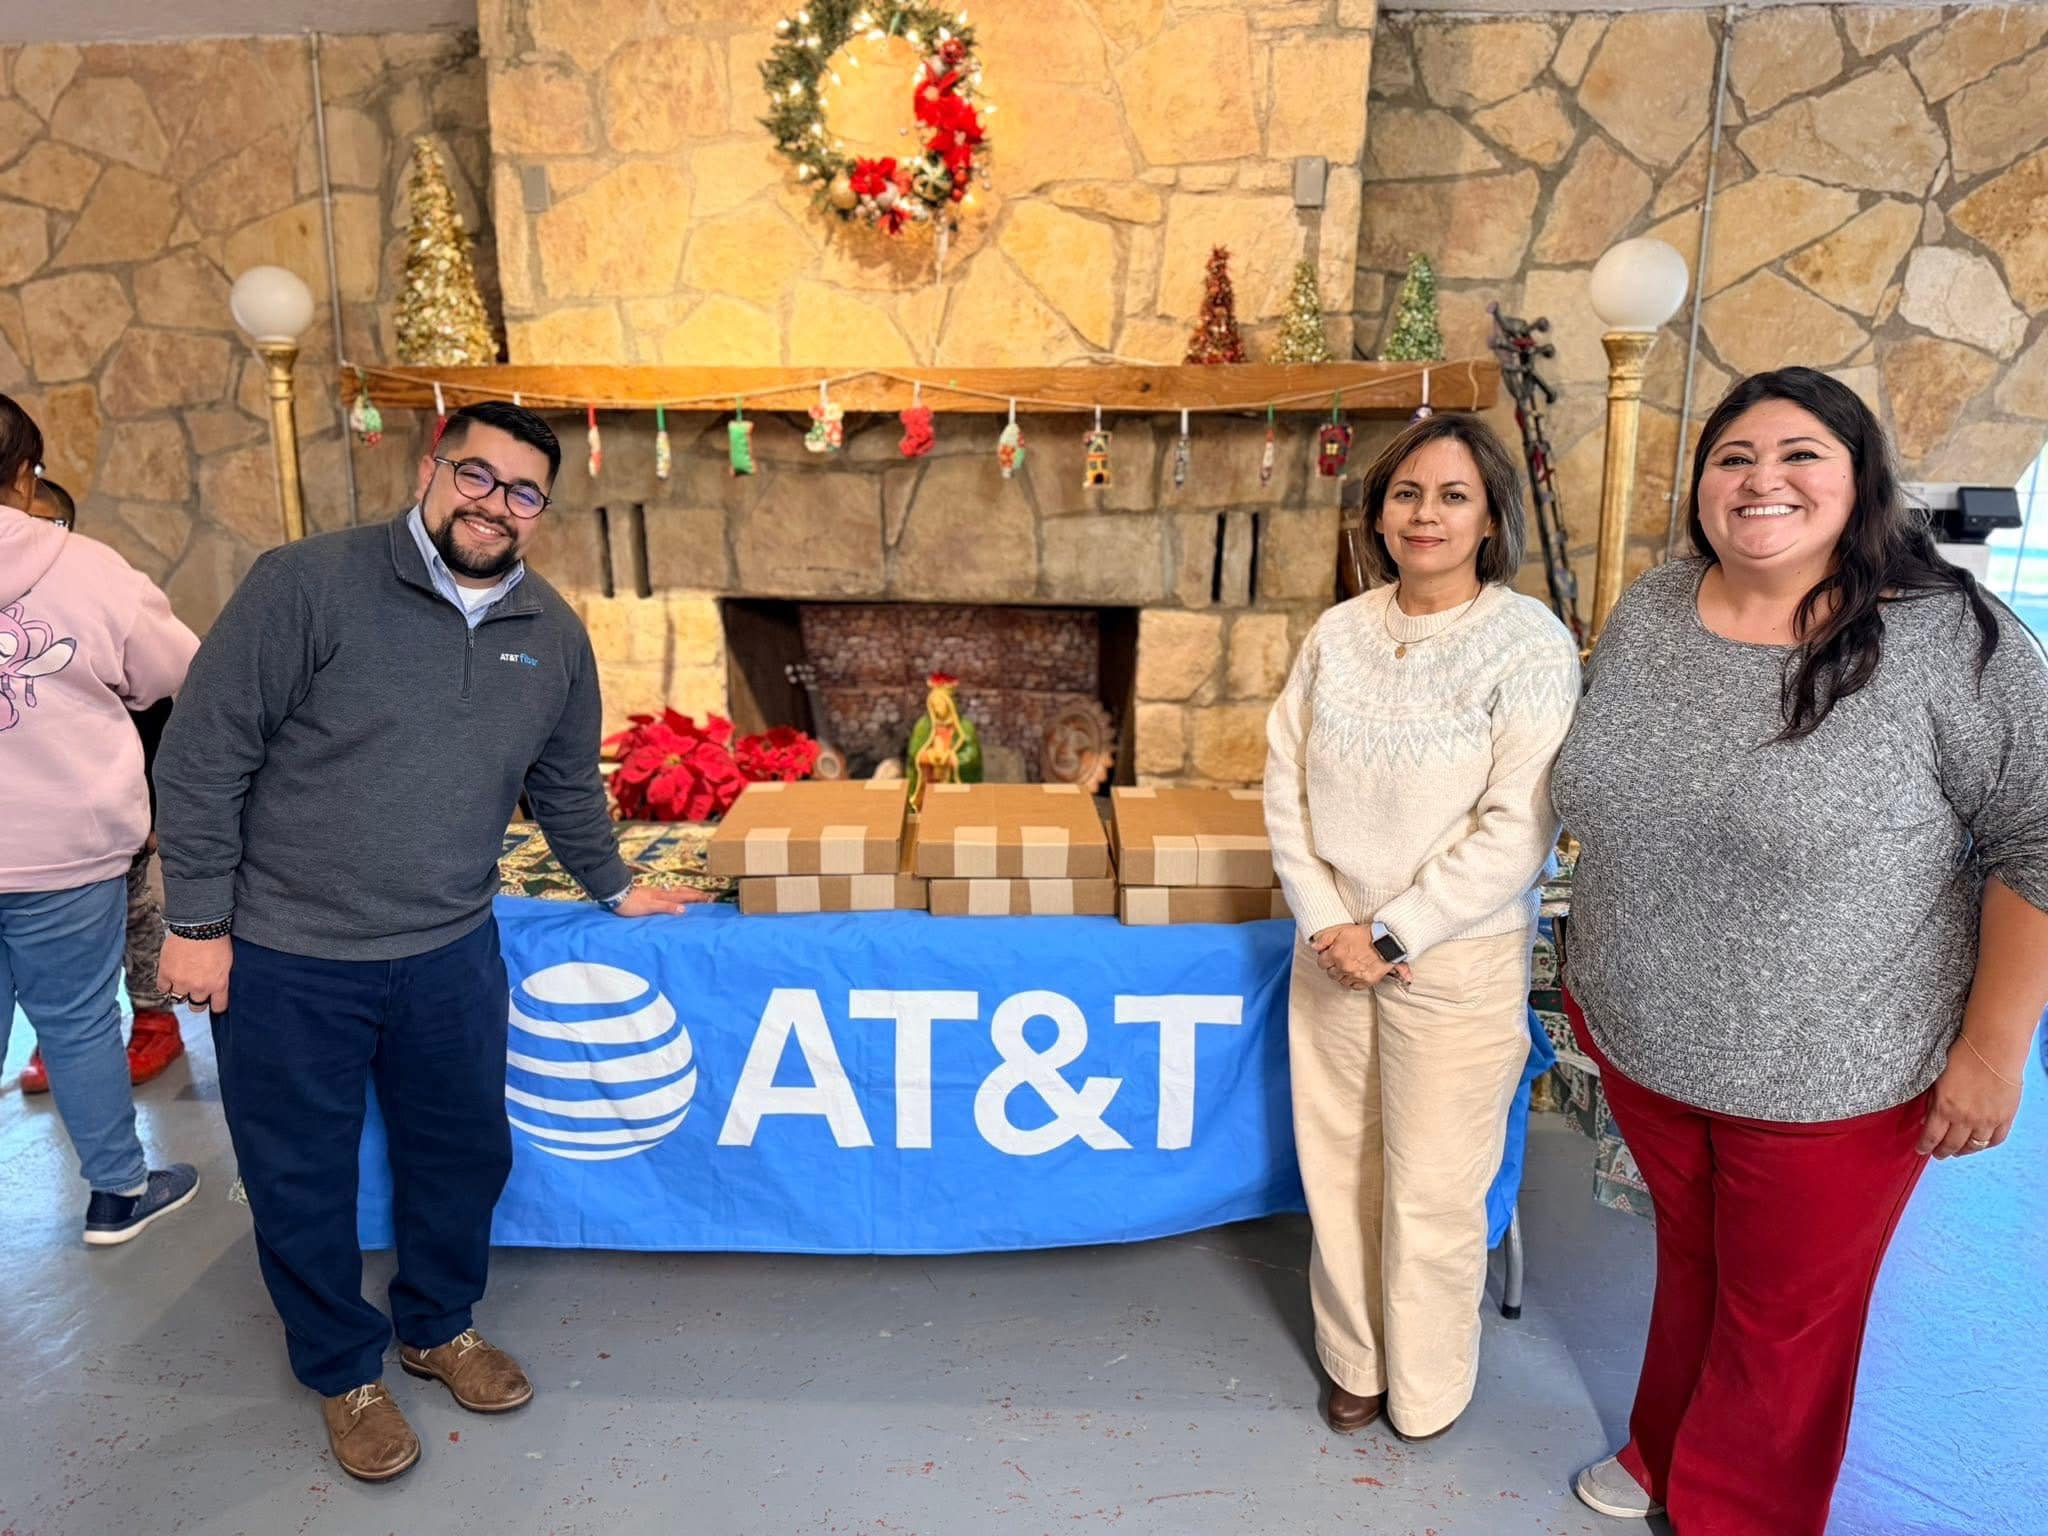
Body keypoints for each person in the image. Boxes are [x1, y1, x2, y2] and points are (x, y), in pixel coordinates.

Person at [153, 400, 706, 1485]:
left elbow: (563, 782)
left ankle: (438, 1326)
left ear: (542, 511)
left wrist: (612, 884)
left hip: (449, 950)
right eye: (477, 475)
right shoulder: (305, 585)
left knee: (462, 1153)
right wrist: (198, 923)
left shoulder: (551, 632)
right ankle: (342, 1371)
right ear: (430, 470)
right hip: (288, 953)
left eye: (523, 492)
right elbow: (203, 757)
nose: (495, 504)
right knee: (299, 1177)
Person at [1552, 367, 2048, 1534]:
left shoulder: (1948, 641)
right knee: (1693, 1263)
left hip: (1831, 1073)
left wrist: (1993, 1051)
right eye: (1731, 457)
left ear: (1858, 480)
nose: (1758, 479)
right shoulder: (1654, 607)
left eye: (1797, 456)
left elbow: (2037, 834)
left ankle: (1738, 1512)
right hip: (1645, 1038)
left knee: (1783, 1323)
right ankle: (1663, 1447)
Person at [1264, 413, 1581, 1442]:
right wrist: (1329, 923)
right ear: (1378, 514)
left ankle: (1427, 1384)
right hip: (1329, 954)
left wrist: (1391, 933)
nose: (1425, 514)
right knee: (1338, 1171)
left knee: (1433, 1189)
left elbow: (1518, 825)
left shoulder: (1526, 643)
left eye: (1451, 496)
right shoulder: (1336, 635)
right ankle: (1354, 1360)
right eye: (1406, 493)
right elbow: (1283, 789)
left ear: (1490, 518)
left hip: (1452, 961)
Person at [0, 394, 201, 1244]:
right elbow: (174, 670)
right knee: (79, 1022)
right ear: (26, 475)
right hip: (65, 846)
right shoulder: (87, 567)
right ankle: (118, 1193)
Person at [16, 477, 185, 1094]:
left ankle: (154, 1017)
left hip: (105, 815)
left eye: (47, 523)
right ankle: (57, 1033)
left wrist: (156, 811)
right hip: (29, 834)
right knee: (46, 951)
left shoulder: (94, 590)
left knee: (136, 915)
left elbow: (158, 710)